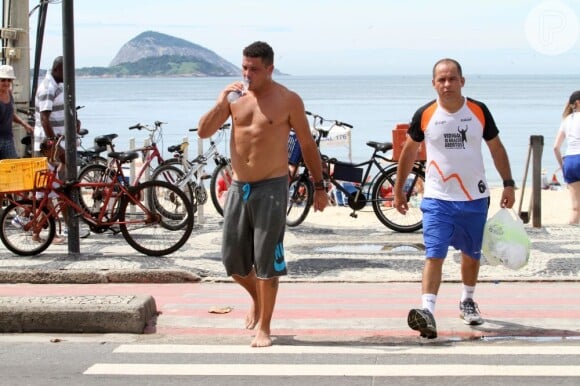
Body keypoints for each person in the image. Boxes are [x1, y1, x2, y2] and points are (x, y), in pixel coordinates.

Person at [198, 41, 329, 347]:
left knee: (267, 260)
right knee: (232, 261)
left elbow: (308, 145)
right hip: (238, 186)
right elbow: (203, 131)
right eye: (244, 67)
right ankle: (257, 296)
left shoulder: (288, 100)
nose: (247, 74)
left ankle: (265, 327)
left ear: (269, 69)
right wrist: (220, 102)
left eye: (254, 69)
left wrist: (319, 187)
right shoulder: (234, 99)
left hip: (272, 186)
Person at [393, 58, 515, 339]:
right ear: (433, 83)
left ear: (462, 81)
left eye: (452, 79)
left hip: (474, 197)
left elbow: (496, 148)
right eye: (441, 80)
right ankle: (427, 311)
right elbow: (408, 152)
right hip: (437, 198)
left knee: (471, 254)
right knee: (434, 253)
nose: (446, 84)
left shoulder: (478, 111)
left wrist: (508, 183)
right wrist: (400, 189)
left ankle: (467, 299)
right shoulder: (425, 114)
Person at [553, 90, 580, 225]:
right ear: (577, 103)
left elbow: (556, 147)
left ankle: (572, 234)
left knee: (576, 208)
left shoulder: (566, 121)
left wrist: (562, 166)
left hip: (570, 161)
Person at [0, 64, 33, 159]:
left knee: (12, 168)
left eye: (9, 80)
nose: (6, 83)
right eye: (3, 80)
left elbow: (10, 114)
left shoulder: (9, 93)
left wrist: (25, 124)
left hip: (8, 138)